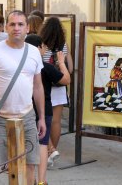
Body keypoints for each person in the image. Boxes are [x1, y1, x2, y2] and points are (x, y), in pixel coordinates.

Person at [0, 10, 46, 185]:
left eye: (20, 24)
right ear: (6, 27)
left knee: (30, 163)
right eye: (12, 24)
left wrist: (42, 118)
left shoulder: (34, 52)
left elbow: (38, 87)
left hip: (27, 116)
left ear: (27, 28)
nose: (17, 28)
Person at [24, 34, 70, 185]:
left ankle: (30, 180)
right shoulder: (45, 66)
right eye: (43, 46)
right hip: (44, 110)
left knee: (26, 146)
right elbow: (66, 80)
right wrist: (62, 62)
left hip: (24, 110)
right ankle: (42, 181)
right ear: (39, 48)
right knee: (42, 145)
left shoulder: (21, 64)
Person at [38, 16, 74, 166]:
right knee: (56, 121)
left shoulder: (41, 44)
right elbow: (70, 68)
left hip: (43, 85)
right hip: (59, 84)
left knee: (42, 118)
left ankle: (47, 150)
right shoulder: (64, 45)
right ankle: (52, 151)